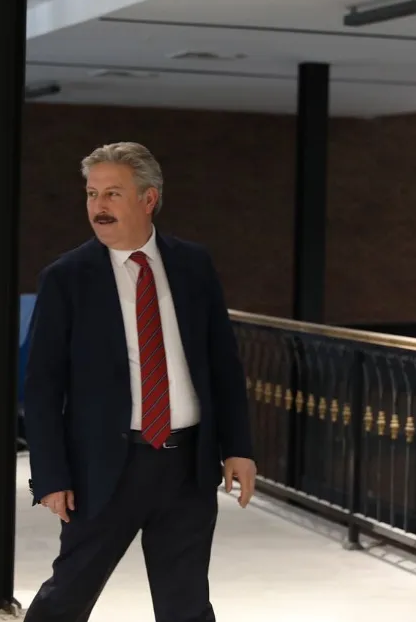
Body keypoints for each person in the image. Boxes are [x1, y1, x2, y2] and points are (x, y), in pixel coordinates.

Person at [23, 141, 257, 622]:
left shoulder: (193, 265)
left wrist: (238, 447)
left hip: (187, 466)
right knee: (66, 598)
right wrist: (51, 476)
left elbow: (223, 365)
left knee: (186, 605)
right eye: (92, 194)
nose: (99, 206)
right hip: (104, 468)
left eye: (112, 193)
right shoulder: (66, 278)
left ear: (149, 199)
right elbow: (42, 386)